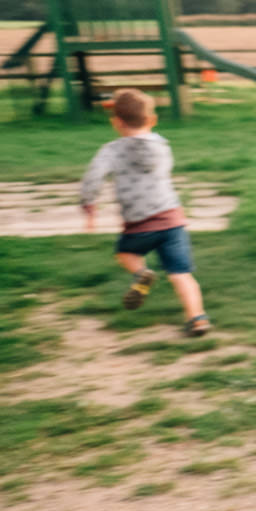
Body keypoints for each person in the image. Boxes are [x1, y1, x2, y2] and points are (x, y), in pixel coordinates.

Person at [80, 88, 211, 337]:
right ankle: (197, 319)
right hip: (172, 220)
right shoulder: (161, 146)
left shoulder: (111, 150)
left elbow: (93, 177)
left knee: (125, 254)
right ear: (152, 120)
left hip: (139, 224)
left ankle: (142, 274)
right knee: (181, 274)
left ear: (116, 123)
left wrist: (88, 203)